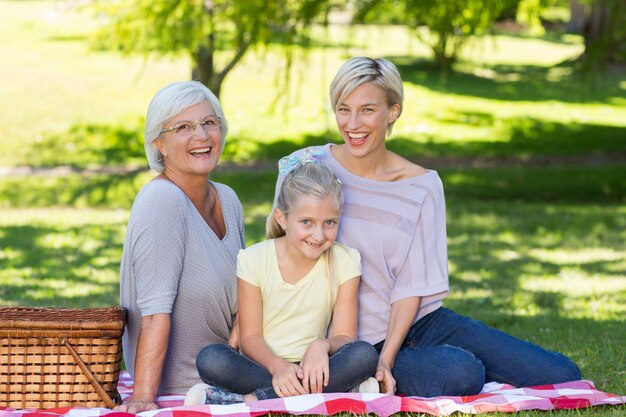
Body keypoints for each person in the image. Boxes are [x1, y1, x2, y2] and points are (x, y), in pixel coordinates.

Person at [273, 57, 582, 398]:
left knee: (563, 375)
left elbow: (412, 284)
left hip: (421, 322)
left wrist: (388, 359)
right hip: (353, 344)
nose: (352, 124)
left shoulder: (423, 185)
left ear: (393, 111)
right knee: (461, 373)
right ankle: (386, 370)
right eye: (343, 109)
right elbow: (277, 255)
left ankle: (407, 362)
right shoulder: (303, 165)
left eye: (367, 110)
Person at [186, 161, 379, 405]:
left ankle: (248, 400)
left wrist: (322, 346)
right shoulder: (253, 259)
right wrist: (278, 368)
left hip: (315, 368)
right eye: (306, 222)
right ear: (282, 219)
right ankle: (337, 390)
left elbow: (344, 336)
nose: (319, 235)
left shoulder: (345, 260)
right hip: (263, 366)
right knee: (211, 359)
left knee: (364, 354)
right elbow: (250, 337)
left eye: (329, 222)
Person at [116, 81, 245, 413]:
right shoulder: (161, 200)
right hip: (183, 387)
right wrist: (144, 395)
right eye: (184, 127)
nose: (201, 136)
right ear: (160, 144)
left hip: (231, 374)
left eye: (209, 123)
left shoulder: (227, 199)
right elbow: (155, 311)